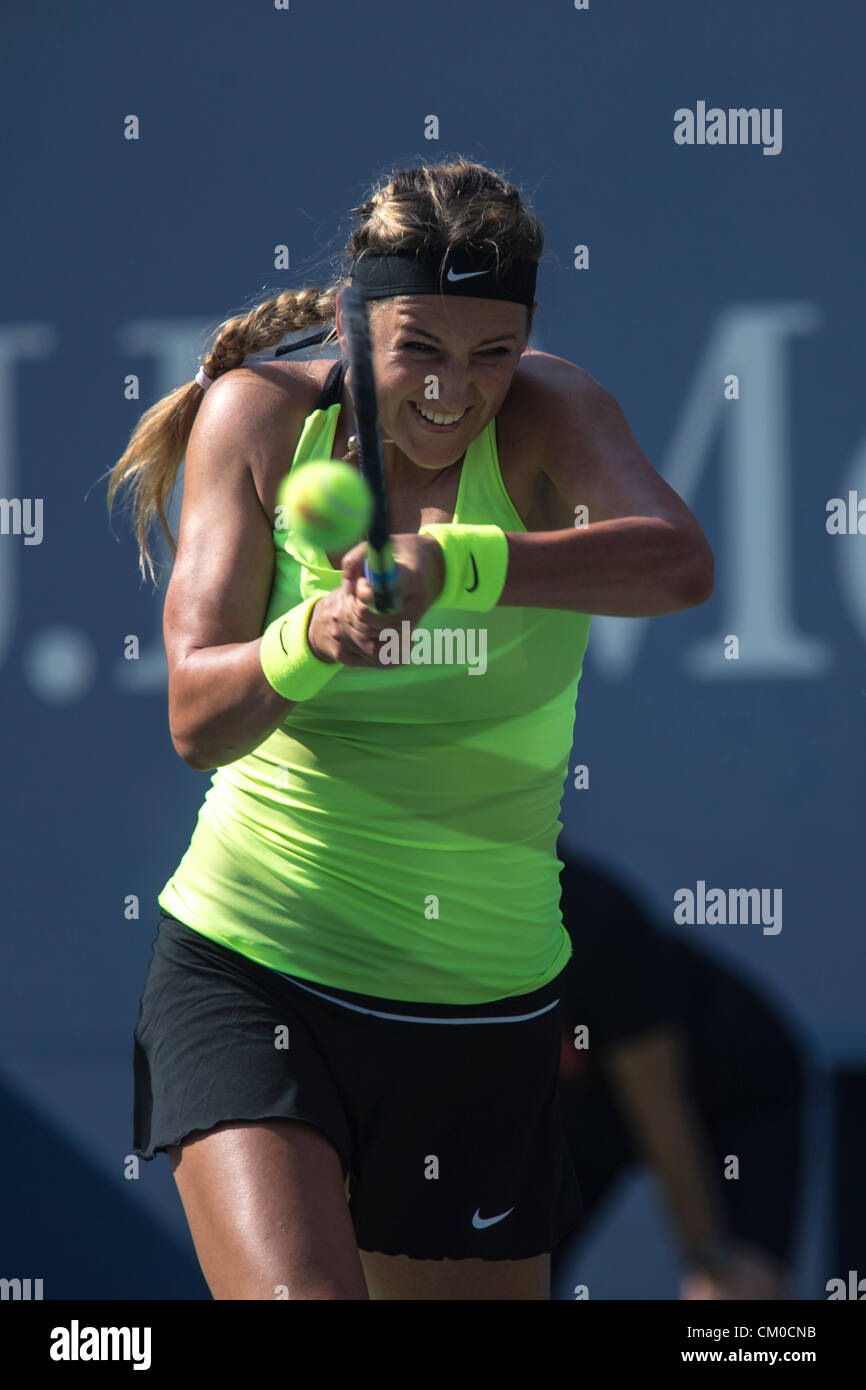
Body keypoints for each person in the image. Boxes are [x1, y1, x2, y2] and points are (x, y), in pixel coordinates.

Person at [107, 158, 714, 1300]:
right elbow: (197, 714)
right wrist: (313, 638)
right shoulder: (253, 417)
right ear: (351, 323)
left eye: (492, 352)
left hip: (480, 1010)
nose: (455, 390)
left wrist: (459, 564)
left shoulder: (553, 414)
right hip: (254, 965)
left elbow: (676, 564)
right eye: (419, 349)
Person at [553, 842, 805, 1300]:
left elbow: (661, 1112)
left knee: (737, 1285)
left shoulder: (596, 917)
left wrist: (707, 1258)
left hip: (733, 1090)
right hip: (591, 1100)